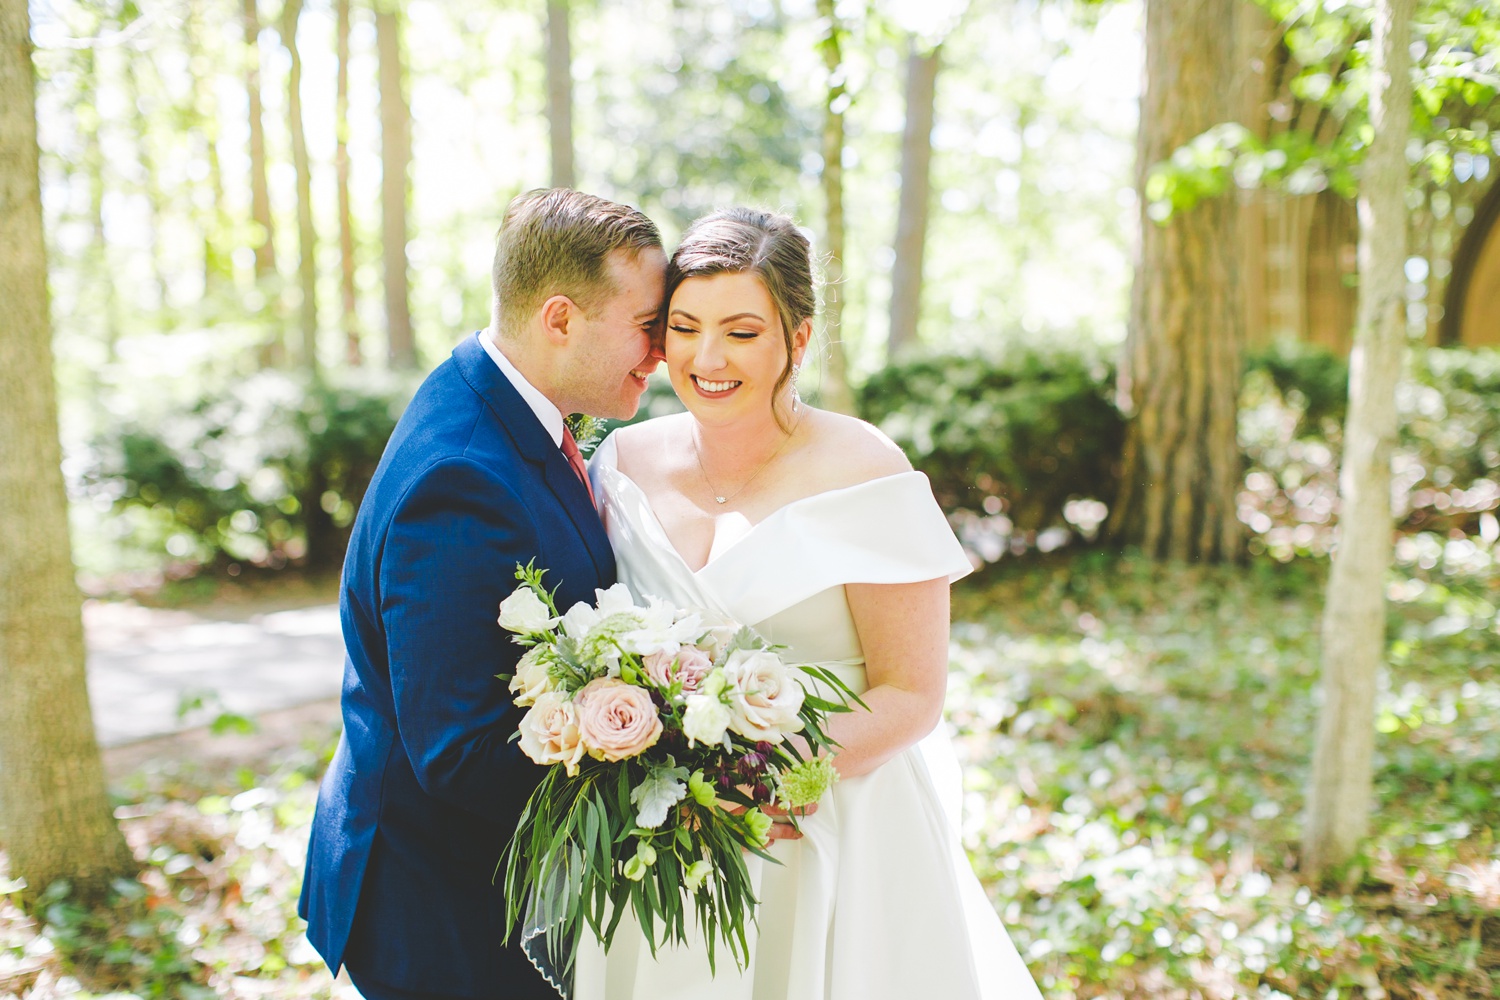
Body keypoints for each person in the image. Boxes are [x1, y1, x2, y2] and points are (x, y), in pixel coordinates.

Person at [573, 207, 1043, 999]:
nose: (708, 357)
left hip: (829, 828)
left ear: (798, 337)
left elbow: (912, 694)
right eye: (684, 327)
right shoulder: (622, 460)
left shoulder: (866, 470)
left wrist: (763, 782)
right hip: (661, 841)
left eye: (743, 331)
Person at [299, 188, 673, 1000]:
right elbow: (461, 750)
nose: (664, 353)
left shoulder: (504, 401)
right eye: (648, 326)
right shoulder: (461, 479)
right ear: (562, 319)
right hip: (444, 914)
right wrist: (670, 777)